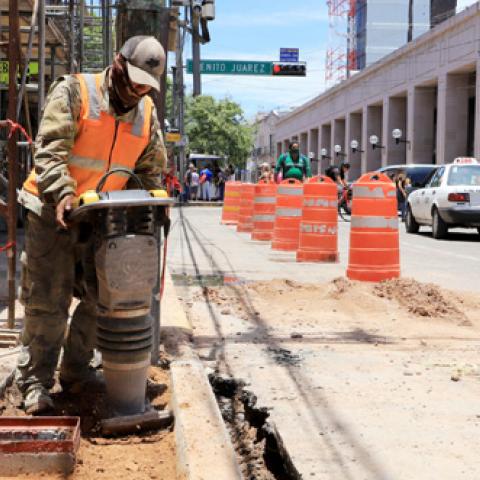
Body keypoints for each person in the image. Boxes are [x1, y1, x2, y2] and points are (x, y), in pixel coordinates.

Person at [16, 35, 167, 414]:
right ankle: (35, 382)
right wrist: (63, 193)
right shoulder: (75, 91)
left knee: (104, 297)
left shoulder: (147, 114)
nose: (135, 91)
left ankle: (76, 370)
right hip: (53, 211)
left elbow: (149, 172)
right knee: (49, 299)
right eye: (132, 80)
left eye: (144, 86)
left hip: (101, 217)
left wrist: (151, 206)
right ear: (117, 63)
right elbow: (49, 151)